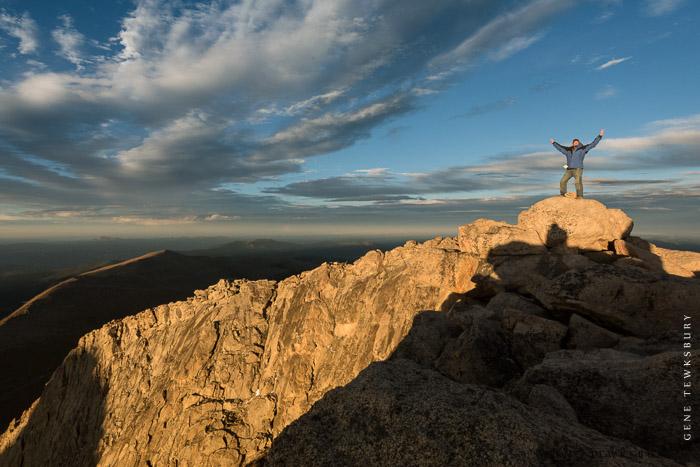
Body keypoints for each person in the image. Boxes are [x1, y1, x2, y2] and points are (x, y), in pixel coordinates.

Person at [549, 129, 604, 198]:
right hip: (568, 170)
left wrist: (600, 136)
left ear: (579, 143)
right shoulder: (568, 150)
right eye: (574, 142)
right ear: (572, 143)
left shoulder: (583, 149)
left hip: (578, 169)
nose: (576, 143)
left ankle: (580, 196)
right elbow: (560, 148)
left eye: (577, 142)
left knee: (578, 182)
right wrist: (554, 143)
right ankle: (562, 194)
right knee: (562, 181)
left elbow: (593, 144)